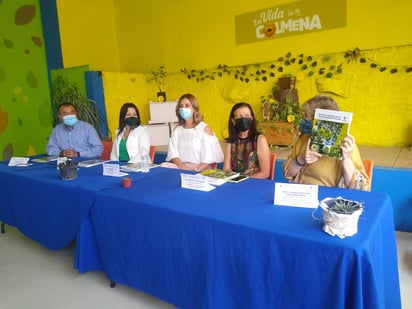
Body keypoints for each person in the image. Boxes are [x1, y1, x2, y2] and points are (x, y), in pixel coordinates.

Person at [282, 95, 370, 191]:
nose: (304, 121)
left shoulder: (346, 146)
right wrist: (301, 159)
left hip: (328, 199)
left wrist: (346, 159)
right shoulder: (303, 140)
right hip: (300, 195)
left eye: (307, 116)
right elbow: (288, 174)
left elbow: (361, 189)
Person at [164, 93, 223, 171]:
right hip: (181, 168)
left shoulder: (204, 128)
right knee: (163, 166)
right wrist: (181, 166)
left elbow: (210, 157)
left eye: (187, 105)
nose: (183, 108)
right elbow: (173, 153)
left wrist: (195, 170)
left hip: (200, 170)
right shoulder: (177, 130)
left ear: (194, 109)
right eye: (181, 106)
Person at [223, 102, 271, 179]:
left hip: (254, 183)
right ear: (233, 121)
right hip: (234, 183)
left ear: (251, 118)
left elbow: (265, 173)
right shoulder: (230, 142)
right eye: (239, 117)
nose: (243, 119)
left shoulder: (259, 139)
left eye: (246, 116)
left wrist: (243, 180)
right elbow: (226, 169)